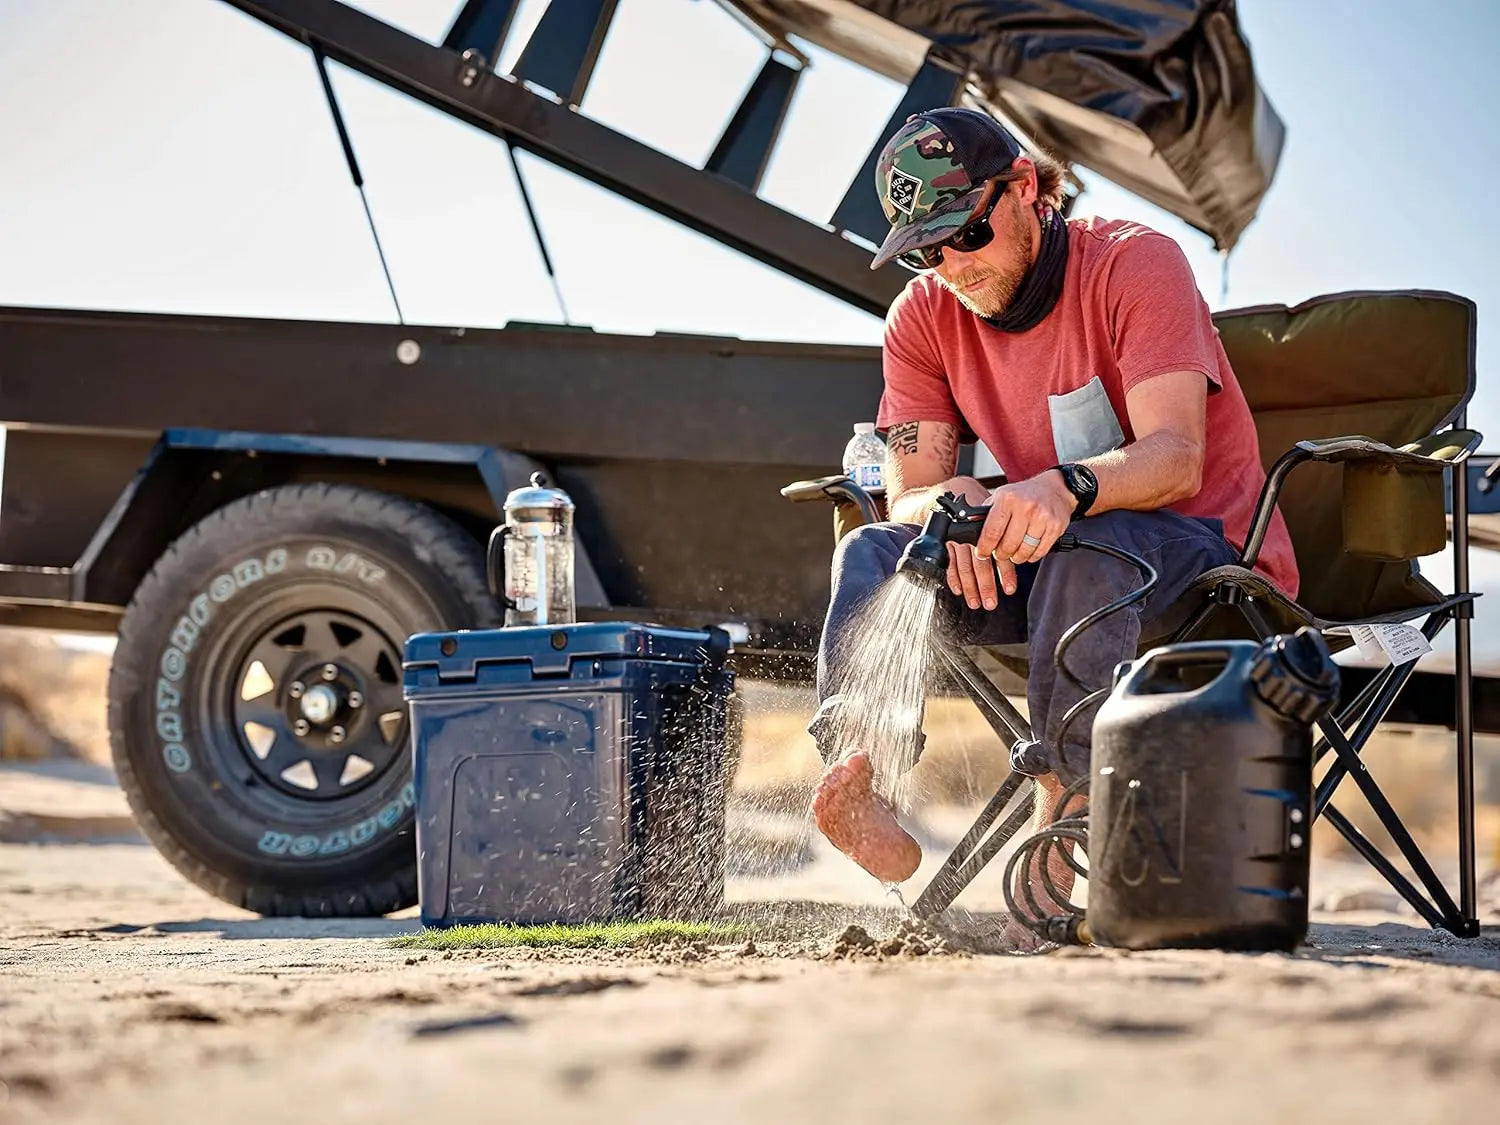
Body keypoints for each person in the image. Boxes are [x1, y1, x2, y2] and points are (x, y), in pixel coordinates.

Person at [808, 107, 1298, 924]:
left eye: (965, 234)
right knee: (876, 547)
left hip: (1202, 563)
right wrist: (950, 506)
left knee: (1088, 542)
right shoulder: (921, 316)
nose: (952, 267)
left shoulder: (1136, 264)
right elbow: (911, 488)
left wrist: (1060, 488)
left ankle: (1064, 803)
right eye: (926, 250)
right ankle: (864, 770)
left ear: (1026, 187)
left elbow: (1177, 456)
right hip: (1049, 551)